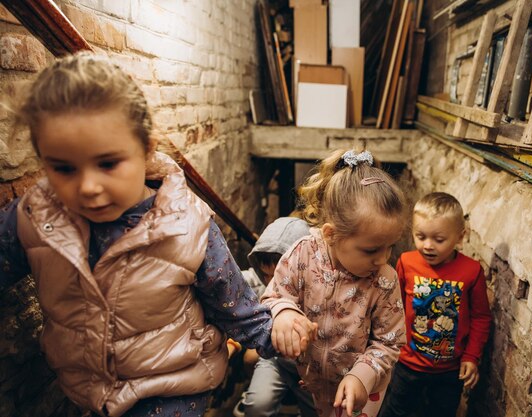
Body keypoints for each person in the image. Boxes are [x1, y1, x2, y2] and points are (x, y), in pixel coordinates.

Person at [0, 52, 315, 417]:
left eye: (108, 163)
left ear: (146, 149)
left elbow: (235, 306)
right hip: (90, 393)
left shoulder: (189, 226)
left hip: (173, 390)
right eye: (63, 168)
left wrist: (281, 331)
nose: (87, 186)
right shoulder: (35, 216)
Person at [262, 149, 408, 417]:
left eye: (390, 247)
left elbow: (390, 342)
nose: (383, 259)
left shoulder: (384, 279)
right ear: (331, 234)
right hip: (312, 382)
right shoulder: (302, 254)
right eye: (371, 250)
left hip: (363, 390)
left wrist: (362, 377)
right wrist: (283, 312)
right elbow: (274, 295)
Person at [378, 192, 492, 417]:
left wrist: (471, 357)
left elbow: (481, 317)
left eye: (439, 240)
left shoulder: (471, 271)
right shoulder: (407, 262)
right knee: (396, 411)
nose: (428, 246)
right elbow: (394, 306)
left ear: (460, 236)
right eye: (420, 236)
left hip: (450, 371)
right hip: (408, 364)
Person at [232, 216, 317, 417]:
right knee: (256, 407)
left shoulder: (317, 293)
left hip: (311, 368)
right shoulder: (261, 283)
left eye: (278, 276)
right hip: (276, 361)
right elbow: (236, 281)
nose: (271, 283)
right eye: (266, 275)